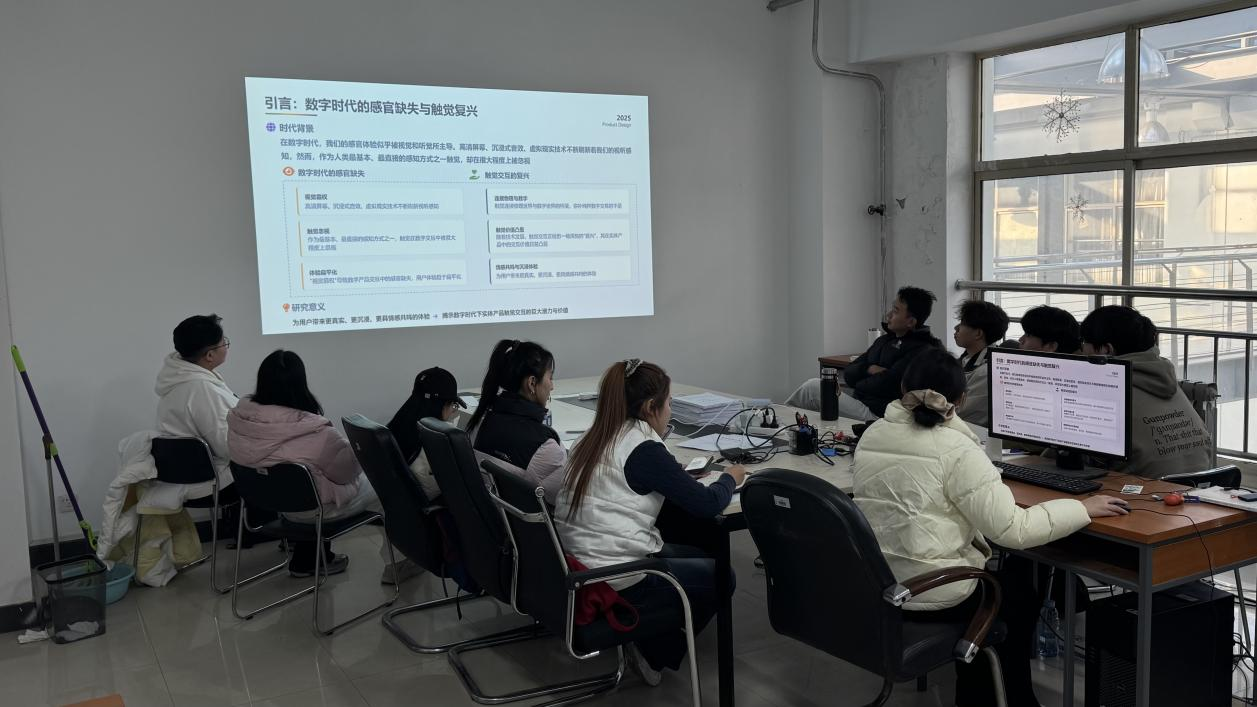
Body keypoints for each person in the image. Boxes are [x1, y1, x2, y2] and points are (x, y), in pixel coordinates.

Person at [853, 349, 1129, 706]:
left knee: (1009, 583)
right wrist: (1082, 508)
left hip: (882, 584)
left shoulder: (874, 433)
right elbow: (1014, 530)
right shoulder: (958, 449)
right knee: (1017, 597)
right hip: (934, 591)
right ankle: (1003, 699)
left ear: (903, 388)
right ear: (961, 400)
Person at [556, 358, 747, 686]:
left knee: (694, 553)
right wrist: (731, 477)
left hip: (577, 561)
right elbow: (707, 504)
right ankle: (656, 652)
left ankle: (651, 634)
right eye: (669, 403)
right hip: (614, 574)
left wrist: (673, 476)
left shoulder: (594, 434)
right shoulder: (642, 448)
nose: (670, 412)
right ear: (649, 407)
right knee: (722, 576)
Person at [227, 350, 377, 577]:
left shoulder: (240, 420)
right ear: (300, 383)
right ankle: (403, 566)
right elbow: (346, 473)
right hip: (309, 510)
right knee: (387, 485)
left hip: (269, 503)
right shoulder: (315, 431)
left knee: (307, 478)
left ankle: (306, 556)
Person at [1080, 305, 1212, 479]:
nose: (1081, 350)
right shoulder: (1166, 379)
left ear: (1106, 349)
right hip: (1198, 488)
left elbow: (1063, 457)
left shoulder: (1108, 390)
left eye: (1084, 342)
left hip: (1141, 491)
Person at [787, 286, 943, 420]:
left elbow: (889, 384)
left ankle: (779, 425)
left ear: (911, 321)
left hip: (880, 414)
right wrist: (869, 369)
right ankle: (782, 426)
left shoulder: (923, 351)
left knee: (813, 389)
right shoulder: (883, 340)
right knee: (816, 396)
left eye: (896, 311)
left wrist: (861, 380)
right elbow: (850, 372)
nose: (889, 315)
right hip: (861, 402)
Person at [467, 339, 567, 504]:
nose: (552, 386)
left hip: (494, 514)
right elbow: (567, 501)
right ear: (532, 383)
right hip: (528, 519)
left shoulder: (479, 424)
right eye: (550, 378)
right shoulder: (544, 445)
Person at [155, 314, 238, 488]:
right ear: (209, 355)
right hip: (210, 478)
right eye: (224, 343)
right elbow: (228, 447)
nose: (226, 346)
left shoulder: (178, 379)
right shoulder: (201, 389)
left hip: (182, 473)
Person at [387, 366, 466, 502]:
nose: (453, 411)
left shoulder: (398, 426)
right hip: (423, 504)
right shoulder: (432, 443)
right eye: (453, 405)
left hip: (392, 502)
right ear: (441, 405)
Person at [952, 300, 1009, 427]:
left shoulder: (987, 372)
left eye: (962, 323)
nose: (956, 328)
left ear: (978, 334)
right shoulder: (967, 358)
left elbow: (960, 412)